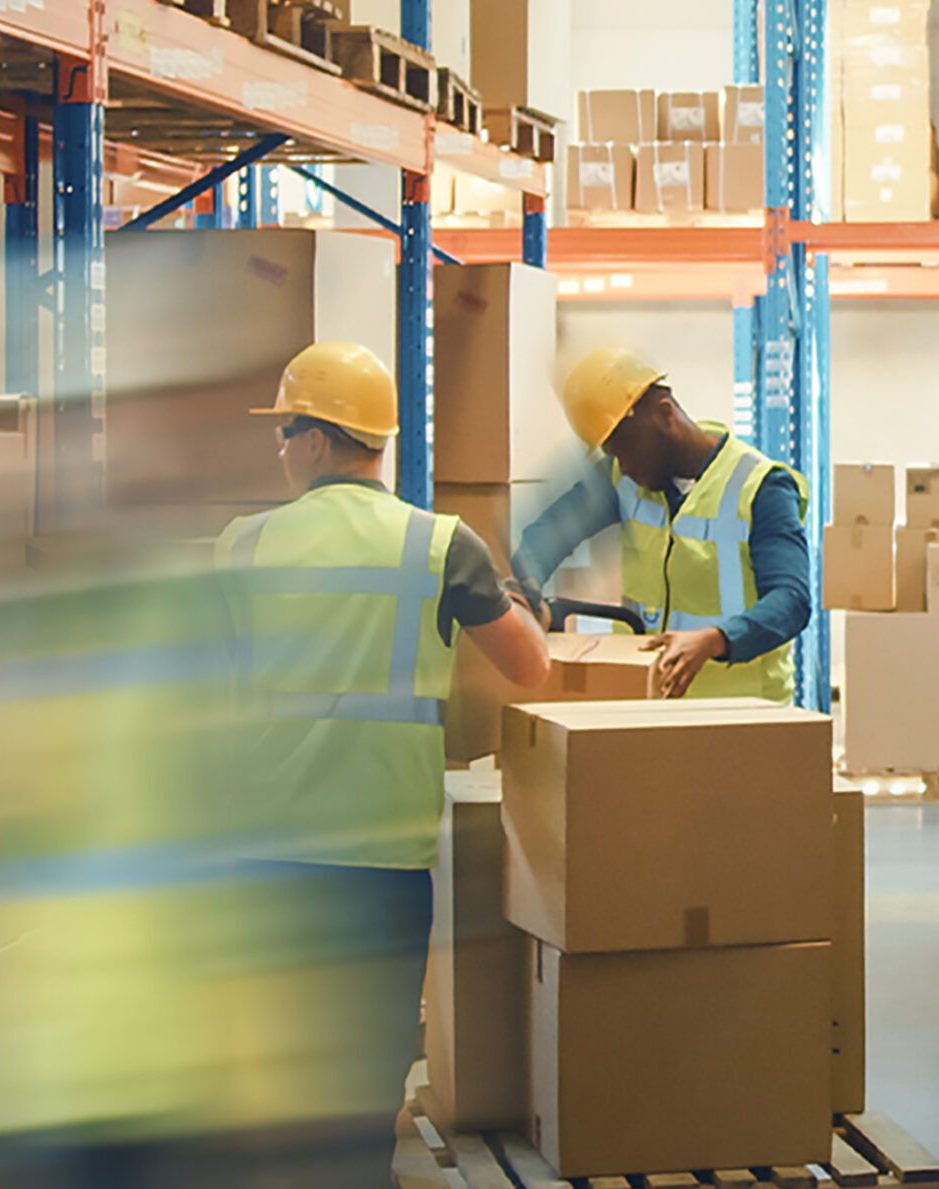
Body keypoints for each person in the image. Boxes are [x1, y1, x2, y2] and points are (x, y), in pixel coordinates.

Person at [211, 341, 550, 1183]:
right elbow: (530, 665)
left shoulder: (242, 546)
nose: (281, 451)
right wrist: (505, 598)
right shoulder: (440, 547)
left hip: (268, 848)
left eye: (286, 432)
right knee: (369, 1063)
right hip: (382, 857)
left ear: (320, 441)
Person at [508, 347, 816, 699]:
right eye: (612, 454)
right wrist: (528, 591)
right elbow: (547, 535)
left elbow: (791, 599)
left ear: (665, 415)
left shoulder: (760, 487)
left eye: (628, 448)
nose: (624, 465)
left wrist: (716, 640)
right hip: (651, 705)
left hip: (740, 714)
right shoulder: (622, 479)